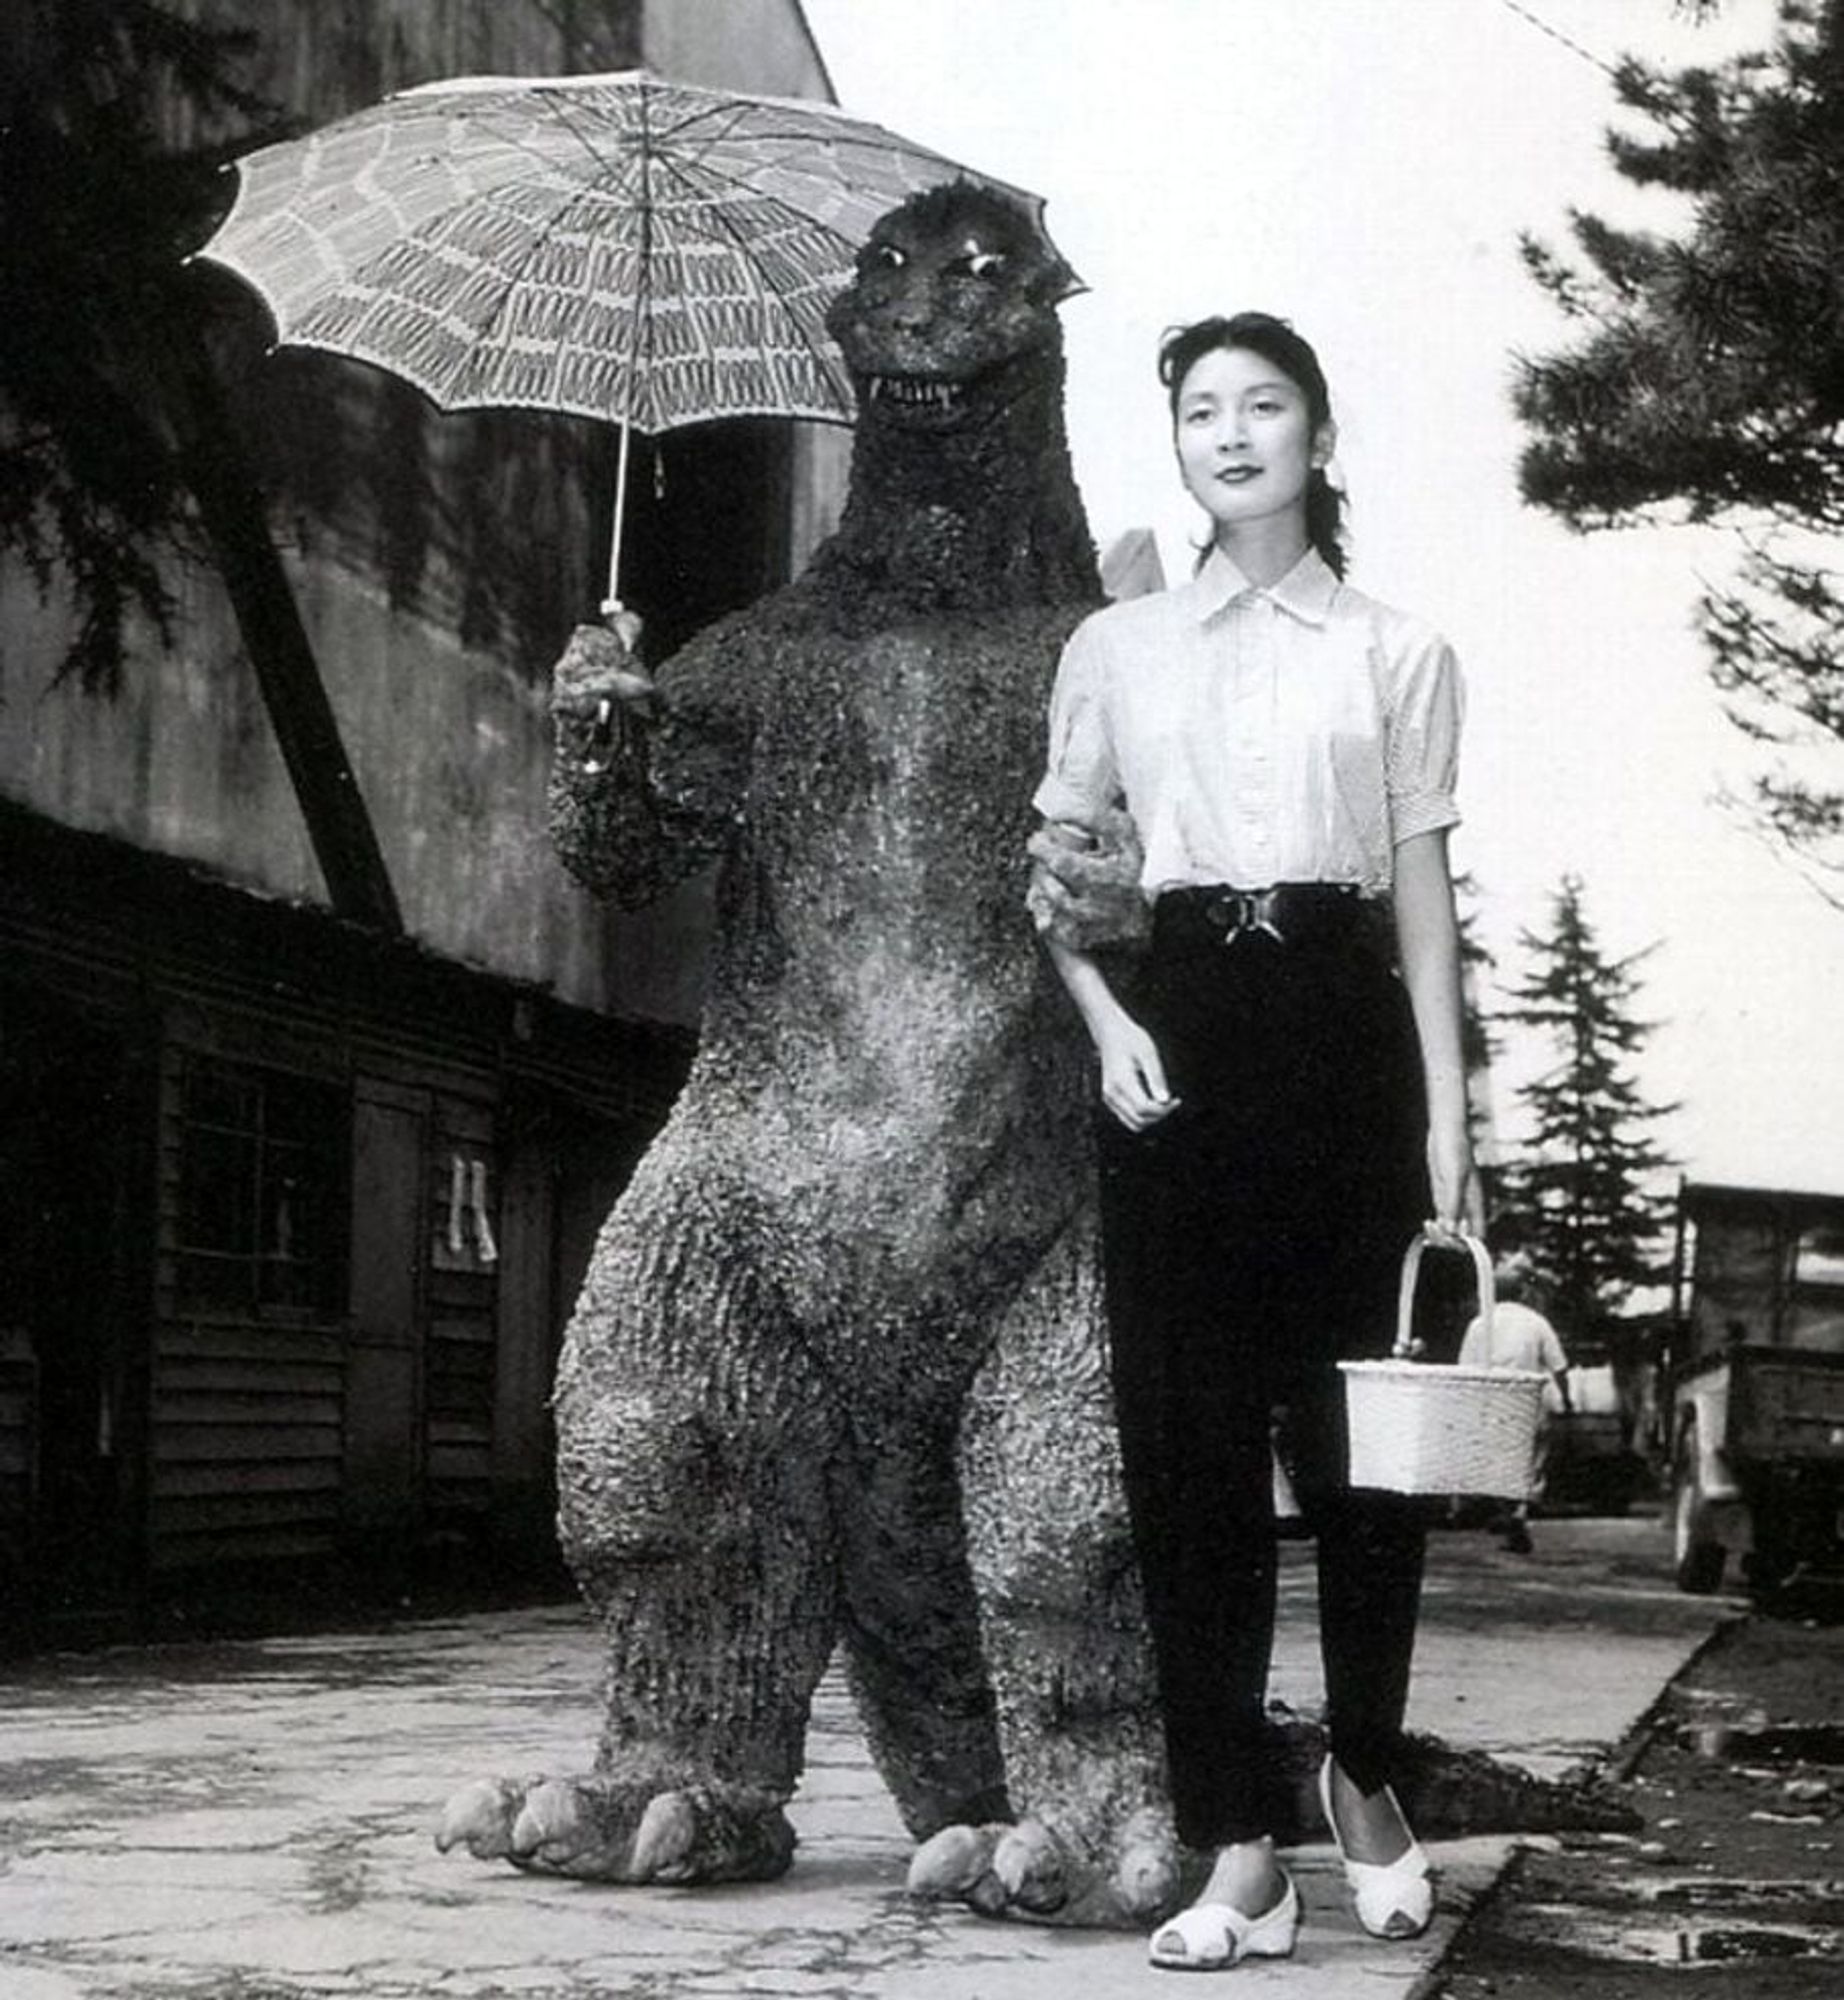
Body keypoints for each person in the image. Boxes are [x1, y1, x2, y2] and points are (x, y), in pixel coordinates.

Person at [1028, 311, 1485, 1972]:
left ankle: (1362, 1776)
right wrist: (1107, 1022)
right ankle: (1238, 1842)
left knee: (1369, 1456)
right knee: (1185, 1458)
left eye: (1260, 405)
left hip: (1345, 1049)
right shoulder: (1113, 647)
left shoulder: (1395, 650)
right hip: (1175, 1054)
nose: (1227, 434)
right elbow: (1057, 873)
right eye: (1198, 411)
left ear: (1314, 433)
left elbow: (1426, 908)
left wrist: (1444, 1119)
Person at [1459, 1260, 1571, 1553]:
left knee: (1497, 1457)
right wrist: (1567, 1399)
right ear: (1522, 1292)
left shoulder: (1479, 1323)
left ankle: (1507, 1511)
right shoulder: (1536, 1322)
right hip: (1529, 1399)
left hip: (1492, 1399)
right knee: (1531, 1458)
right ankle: (1519, 1511)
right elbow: (1558, 1366)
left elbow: (1465, 1369)